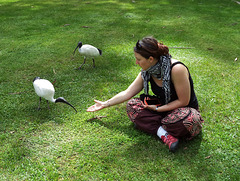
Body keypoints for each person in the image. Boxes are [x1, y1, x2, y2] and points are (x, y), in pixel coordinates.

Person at [87, 37, 204, 152]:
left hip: (183, 110)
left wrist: (158, 109)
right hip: (162, 109)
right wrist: (105, 104)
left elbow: (183, 101)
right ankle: (164, 134)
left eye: (139, 59)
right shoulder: (147, 71)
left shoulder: (177, 69)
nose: (136, 62)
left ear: (151, 59)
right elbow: (128, 93)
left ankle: (151, 125)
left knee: (190, 120)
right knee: (132, 105)